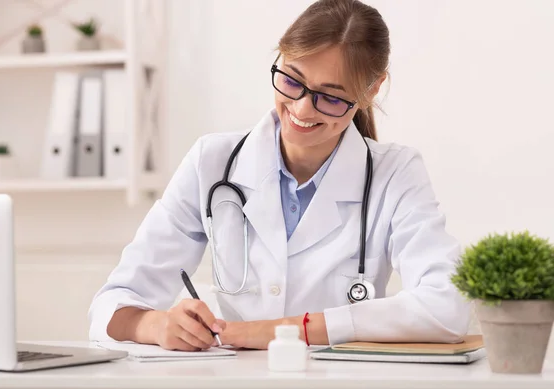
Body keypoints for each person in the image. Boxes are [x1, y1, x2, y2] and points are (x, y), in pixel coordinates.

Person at [88, 0, 470, 351]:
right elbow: (111, 306)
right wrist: (156, 326)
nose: (302, 108)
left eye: (331, 97)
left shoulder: (395, 174)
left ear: (371, 90)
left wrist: (275, 331)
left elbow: (447, 306)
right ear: (280, 58)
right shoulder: (212, 161)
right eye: (291, 80)